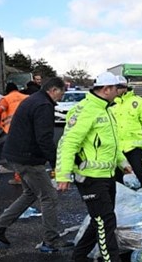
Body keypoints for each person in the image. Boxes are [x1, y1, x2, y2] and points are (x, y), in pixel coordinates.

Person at [0, 78, 73, 253]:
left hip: (16, 155)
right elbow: (44, 138)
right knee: (49, 197)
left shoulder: (33, 100)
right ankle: (51, 241)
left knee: (30, 193)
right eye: (62, 93)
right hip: (28, 159)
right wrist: (57, 165)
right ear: (53, 90)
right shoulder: (43, 105)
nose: (61, 97)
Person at [55, 72, 130, 262]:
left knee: (99, 220)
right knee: (105, 222)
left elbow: (109, 144)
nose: (120, 92)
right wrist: (63, 175)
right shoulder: (86, 110)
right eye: (117, 88)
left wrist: (123, 163)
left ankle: (78, 257)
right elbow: (68, 143)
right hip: (90, 177)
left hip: (106, 175)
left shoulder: (106, 109)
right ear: (106, 89)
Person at [0, 82, 29, 185]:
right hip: (27, 129)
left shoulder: (7, 98)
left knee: (15, 156)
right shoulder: (26, 97)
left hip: (12, 130)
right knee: (26, 154)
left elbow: (0, 108)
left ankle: (19, 178)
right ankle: (28, 177)